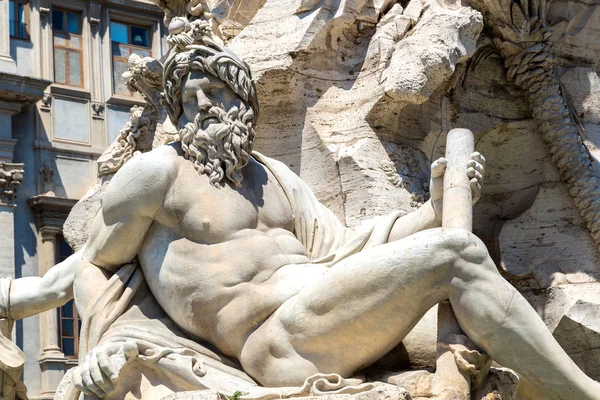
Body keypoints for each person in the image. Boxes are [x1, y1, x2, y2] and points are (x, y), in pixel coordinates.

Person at [2, 38, 599, 400]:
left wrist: (434, 200)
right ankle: (579, 393)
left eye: (216, 92)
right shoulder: (158, 174)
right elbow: (88, 270)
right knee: (456, 256)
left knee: (470, 327)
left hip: (324, 313)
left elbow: (346, 248)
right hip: (275, 343)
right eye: (187, 99)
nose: (201, 107)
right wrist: (100, 342)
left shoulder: (274, 178)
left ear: (246, 102)